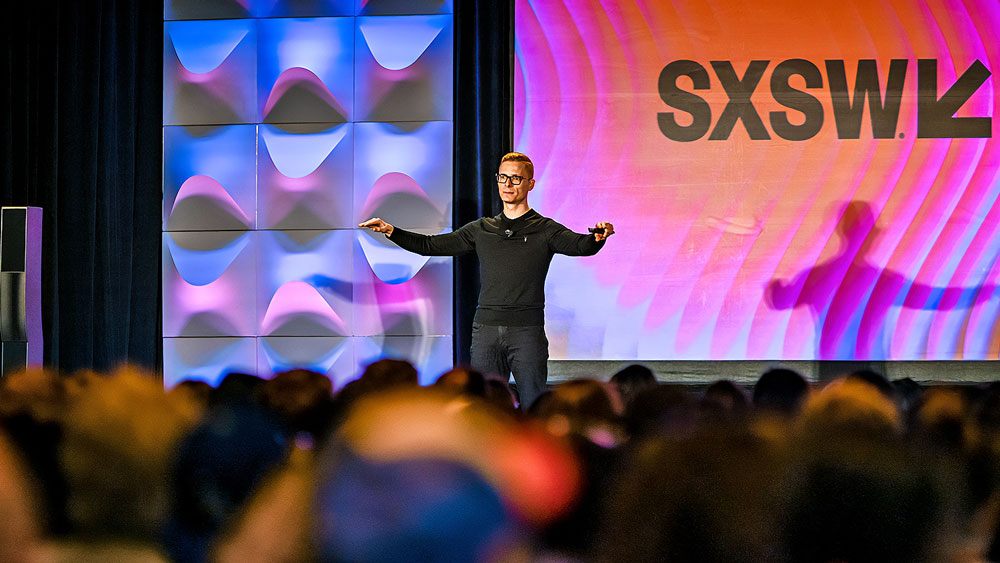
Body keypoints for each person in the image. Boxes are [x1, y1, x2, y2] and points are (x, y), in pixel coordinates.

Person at [360, 152, 614, 409]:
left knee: (534, 404)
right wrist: (391, 231)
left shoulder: (544, 229)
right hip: (486, 331)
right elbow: (430, 245)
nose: (508, 184)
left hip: (527, 332)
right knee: (483, 406)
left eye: (516, 178)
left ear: (530, 184)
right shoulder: (481, 229)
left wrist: (597, 237)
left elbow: (580, 245)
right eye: (503, 177)